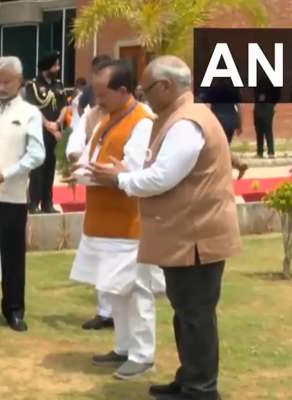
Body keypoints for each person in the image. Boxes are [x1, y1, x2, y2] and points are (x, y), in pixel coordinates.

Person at [90, 55, 241, 400]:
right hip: (186, 236)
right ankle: (189, 378)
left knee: (196, 316)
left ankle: (201, 389)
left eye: (146, 88)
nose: (141, 94)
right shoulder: (177, 117)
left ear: (166, 86)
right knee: (186, 313)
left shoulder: (187, 123)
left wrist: (120, 179)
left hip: (198, 238)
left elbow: (161, 177)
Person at [70, 60, 164, 380]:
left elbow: (131, 171)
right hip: (101, 222)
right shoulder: (104, 119)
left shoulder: (143, 122)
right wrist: (83, 173)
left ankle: (142, 354)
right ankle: (123, 347)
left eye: (102, 93)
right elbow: (90, 162)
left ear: (123, 91)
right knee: (114, 291)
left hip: (128, 225)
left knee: (136, 292)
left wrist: (98, 174)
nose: (97, 99)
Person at [0, 56, 44, 331]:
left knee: (12, 255)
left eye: (7, 81)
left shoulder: (29, 113)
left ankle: (14, 309)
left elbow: (36, 154)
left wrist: (5, 174)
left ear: (19, 82)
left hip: (12, 196)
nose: (0, 87)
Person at [65, 55, 115, 331]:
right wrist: (76, 157)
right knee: (99, 254)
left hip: (122, 196)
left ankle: (119, 311)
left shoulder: (137, 115)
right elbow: (77, 140)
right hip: (96, 194)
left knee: (120, 257)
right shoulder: (91, 114)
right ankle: (104, 310)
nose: (98, 95)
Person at [25, 52, 66, 214]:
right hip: (39, 131)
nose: (58, 68)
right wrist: (48, 124)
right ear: (46, 67)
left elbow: (64, 106)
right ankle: (33, 203)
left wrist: (57, 123)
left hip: (55, 133)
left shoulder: (59, 85)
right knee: (38, 169)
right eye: (55, 65)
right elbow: (33, 107)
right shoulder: (33, 85)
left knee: (50, 168)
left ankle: (47, 203)